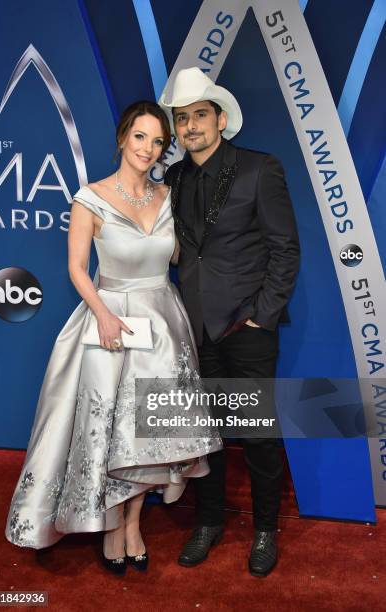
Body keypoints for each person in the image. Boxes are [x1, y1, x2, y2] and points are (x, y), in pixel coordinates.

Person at [5, 100, 222, 576]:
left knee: (149, 433)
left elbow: (189, 258)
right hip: (110, 322)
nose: (148, 148)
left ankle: (132, 525)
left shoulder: (171, 197)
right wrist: (101, 313)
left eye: (157, 141)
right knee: (109, 430)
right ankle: (108, 527)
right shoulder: (90, 198)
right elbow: (77, 269)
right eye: (140, 137)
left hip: (163, 324)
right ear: (123, 137)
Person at [161, 67, 300, 577]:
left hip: (246, 330)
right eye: (182, 119)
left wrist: (262, 318)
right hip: (194, 329)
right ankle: (209, 521)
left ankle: (265, 528)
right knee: (206, 436)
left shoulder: (260, 168)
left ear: (220, 118)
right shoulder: (173, 179)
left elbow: (286, 249)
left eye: (199, 115)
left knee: (259, 434)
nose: (191, 126)